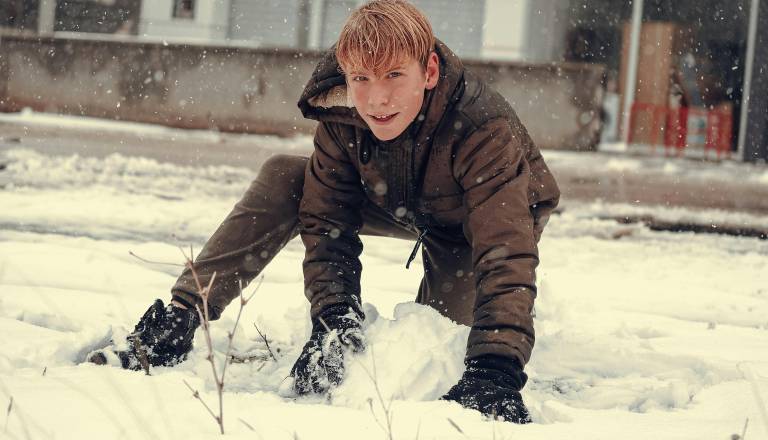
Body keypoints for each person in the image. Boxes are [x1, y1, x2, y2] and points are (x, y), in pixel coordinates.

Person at [89, 0, 559, 424]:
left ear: (429, 71)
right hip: (394, 198)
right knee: (287, 176)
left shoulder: (481, 127)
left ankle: (496, 335)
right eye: (362, 79)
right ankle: (180, 316)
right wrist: (335, 317)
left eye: (395, 75)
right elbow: (326, 219)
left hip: (474, 218)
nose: (377, 99)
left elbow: (506, 251)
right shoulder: (340, 110)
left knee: (440, 339)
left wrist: (496, 367)